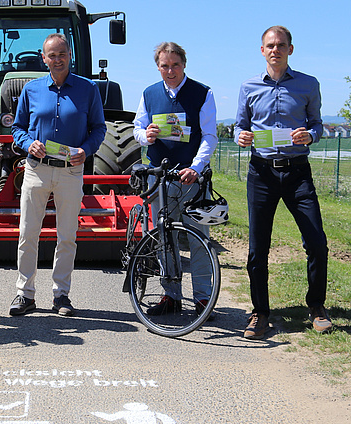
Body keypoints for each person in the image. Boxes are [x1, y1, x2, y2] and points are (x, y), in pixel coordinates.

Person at [234, 25, 330, 340]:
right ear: (262, 50)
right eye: (270, 45)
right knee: (257, 249)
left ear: (290, 49)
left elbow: (317, 124)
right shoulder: (248, 87)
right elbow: (239, 126)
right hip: (261, 173)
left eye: (281, 45)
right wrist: (241, 136)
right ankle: (260, 314)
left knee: (316, 242)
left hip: (297, 172)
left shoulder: (308, 84)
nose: (275, 50)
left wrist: (310, 135)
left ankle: (316, 307)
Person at [9, 33, 106, 317]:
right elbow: (17, 128)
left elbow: (99, 128)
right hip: (36, 170)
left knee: (67, 236)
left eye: (62, 54)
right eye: (52, 55)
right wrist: (29, 143)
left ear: (70, 55)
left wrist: (86, 150)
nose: (57, 59)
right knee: (28, 233)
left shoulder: (88, 89)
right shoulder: (31, 89)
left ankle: (61, 294)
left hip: (70, 171)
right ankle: (25, 294)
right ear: (44, 58)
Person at [132, 42, 218, 316]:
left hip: (191, 179)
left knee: (198, 240)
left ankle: (203, 298)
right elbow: (137, 129)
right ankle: (171, 295)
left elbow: (209, 136)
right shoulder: (149, 94)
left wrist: (196, 167)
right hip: (159, 178)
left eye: (175, 65)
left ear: (184, 64)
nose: (170, 71)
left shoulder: (202, 93)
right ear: (158, 67)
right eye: (164, 66)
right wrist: (147, 136)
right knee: (163, 238)